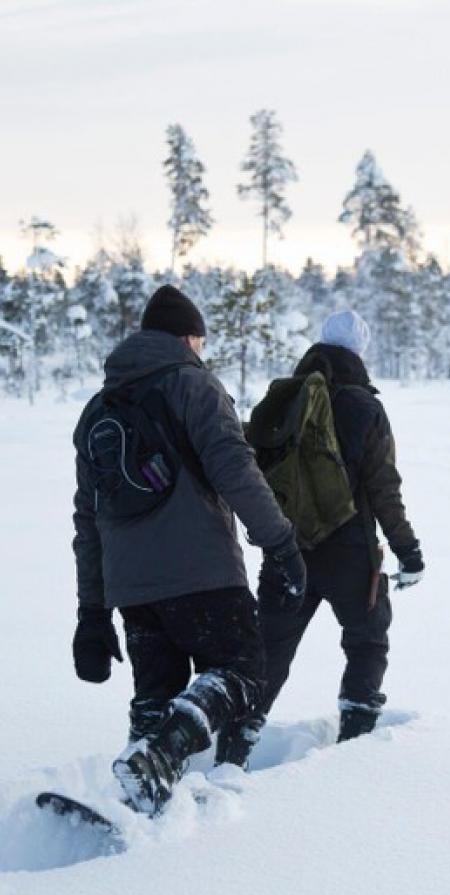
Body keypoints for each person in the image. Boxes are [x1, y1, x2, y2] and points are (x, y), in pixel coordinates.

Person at [71, 284, 306, 816]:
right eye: (199, 341)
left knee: (156, 700)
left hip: (133, 589)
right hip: (202, 573)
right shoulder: (193, 385)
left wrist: (92, 611)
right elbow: (236, 470)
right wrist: (281, 542)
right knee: (243, 673)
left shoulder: (97, 409)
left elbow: (88, 522)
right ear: (188, 337)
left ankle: (138, 808)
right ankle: (159, 755)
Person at [217, 310, 424, 767]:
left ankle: (230, 755)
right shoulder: (366, 407)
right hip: (350, 552)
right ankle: (353, 758)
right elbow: (383, 488)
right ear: (360, 353)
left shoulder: (290, 398)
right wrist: (407, 549)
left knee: (268, 652)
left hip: (287, 549)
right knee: (367, 642)